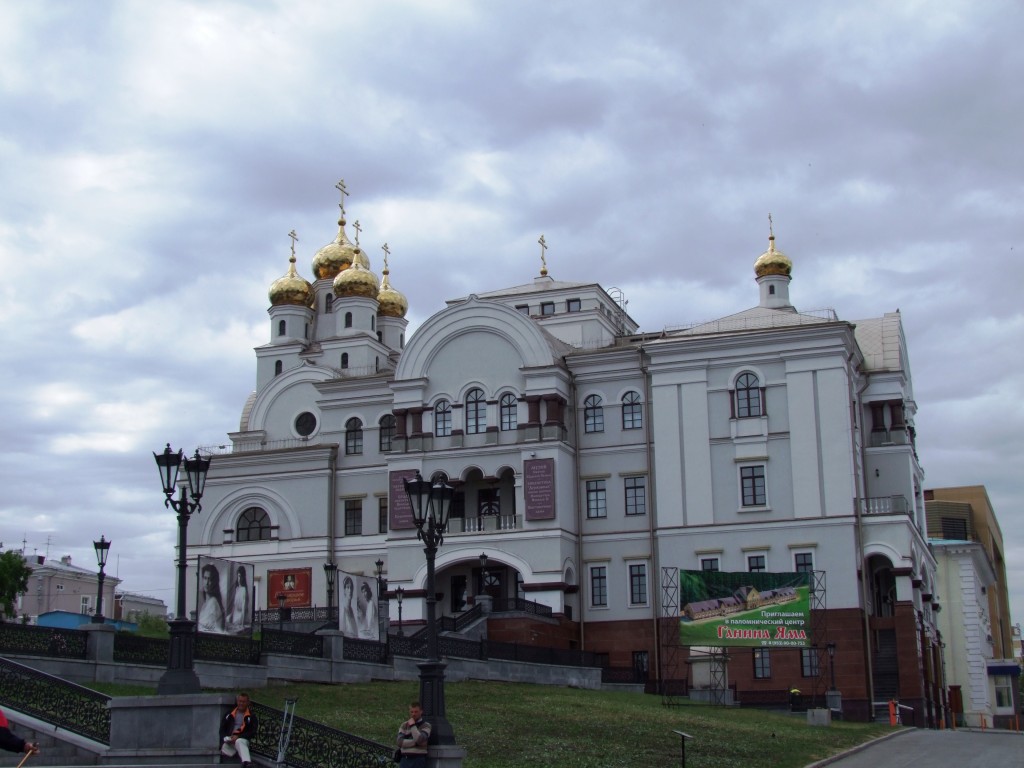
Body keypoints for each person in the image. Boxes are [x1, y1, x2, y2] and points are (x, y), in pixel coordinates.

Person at [220, 692, 257, 767]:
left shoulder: (252, 716)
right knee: (225, 747)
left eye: (244, 702)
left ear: (248, 703)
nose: (241, 704)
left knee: (239, 741)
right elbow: (222, 729)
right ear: (237, 702)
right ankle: (240, 754)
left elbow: (252, 732)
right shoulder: (229, 714)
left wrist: (239, 736)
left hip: (243, 740)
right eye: (240, 701)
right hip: (229, 741)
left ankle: (246, 762)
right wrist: (225, 738)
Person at [395, 701, 430, 767]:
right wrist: (416, 743)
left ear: (421, 711)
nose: (413, 714)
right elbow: (399, 742)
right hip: (405, 759)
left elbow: (419, 739)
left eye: (416, 712)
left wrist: (412, 725)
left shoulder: (426, 725)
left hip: (418, 759)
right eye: (412, 712)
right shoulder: (404, 725)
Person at [198, 563, 226, 634]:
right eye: (205, 578)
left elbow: (217, 631)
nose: (207, 583)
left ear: (214, 582)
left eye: (209, 579)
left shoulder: (213, 603)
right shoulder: (205, 604)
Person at [226, 566, 250, 634]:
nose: (238, 578)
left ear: (243, 577)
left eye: (240, 576)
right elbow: (234, 605)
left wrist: (242, 624)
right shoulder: (237, 588)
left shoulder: (244, 590)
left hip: (240, 618)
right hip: (234, 616)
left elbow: (243, 608)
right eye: (238, 576)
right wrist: (230, 615)